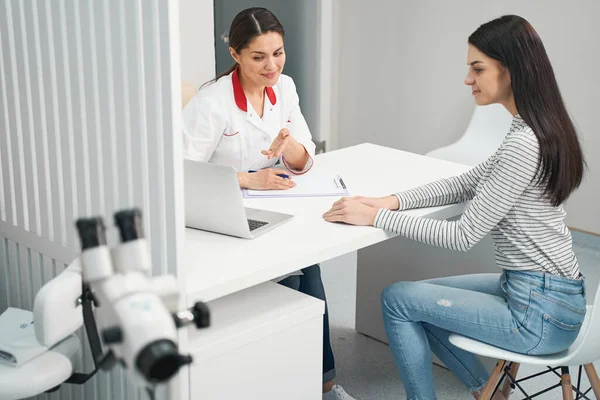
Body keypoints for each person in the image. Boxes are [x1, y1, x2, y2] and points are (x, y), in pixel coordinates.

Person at [322, 15, 586, 400]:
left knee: (398, 300)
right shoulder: (532, 128)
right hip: (548, 293)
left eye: (477, 69)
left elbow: (462, 235)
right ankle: (489, 391)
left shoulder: (523, 144)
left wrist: (376, 217)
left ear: (510, 71)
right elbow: (466, 182)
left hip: (538, 313)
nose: (468, 80)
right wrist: (392, 201)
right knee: (415, 297)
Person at [182, 7, 356, 400]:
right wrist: (247, 178)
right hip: (219, 214)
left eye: (278, 53)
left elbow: (305, 157)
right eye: (258, 56)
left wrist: (289, 145)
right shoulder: (212, 104)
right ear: (235, 54)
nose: (271, 65)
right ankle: (319, 381)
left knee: (306, 258)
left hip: (272, 205)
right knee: (304, 269)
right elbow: (181, 173)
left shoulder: (287, 88)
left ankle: (319, 380)